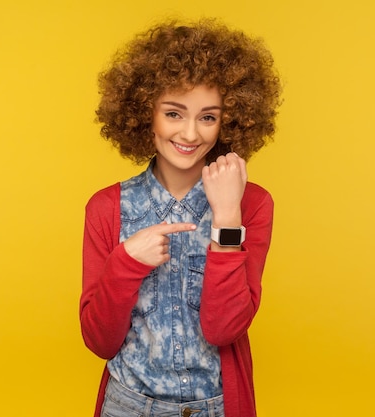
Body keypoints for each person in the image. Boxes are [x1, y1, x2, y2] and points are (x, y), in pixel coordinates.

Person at [80, 19, 281, 417]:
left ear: (229, 120)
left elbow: (224, 329)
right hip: (127, 406)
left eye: (208, 117)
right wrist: (126, 262)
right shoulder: (106, 207)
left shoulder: (252, 203)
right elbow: (99, 341)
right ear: (145, 113)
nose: (190, 133)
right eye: (173, 114)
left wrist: (226, 216)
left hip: (216, 407)